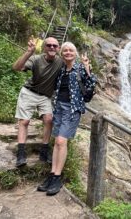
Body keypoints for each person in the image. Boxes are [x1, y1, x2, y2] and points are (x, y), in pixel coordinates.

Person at [37, 42, 96, 196]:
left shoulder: (81, 68)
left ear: (75, 53)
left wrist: (88, 67)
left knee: (61, 142)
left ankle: (57, 177)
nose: (68, 52)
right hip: (59, 108)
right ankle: (52, 175)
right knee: (56, 142)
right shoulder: (61, 69)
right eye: (65, 51)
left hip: (72, 109)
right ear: (62, 54)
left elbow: (91, 86)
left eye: (71, 50)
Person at [13, 36, 63, 167]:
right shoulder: (36, 59)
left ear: (58, 48)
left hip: (45, 96)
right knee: (24, 121)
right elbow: (17, 67)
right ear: (44, 47)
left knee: (48, 120)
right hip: (29, 92)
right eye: (49, 45)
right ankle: (21, 153)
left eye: (55, 46)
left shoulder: (60, 62)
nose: (52, 47)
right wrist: (29, 52)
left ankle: (44, 151)